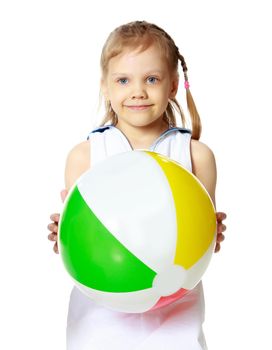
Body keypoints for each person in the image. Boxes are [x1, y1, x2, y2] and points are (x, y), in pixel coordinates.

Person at [47, 20, 227, 350]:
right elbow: (80, 242)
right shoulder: (84, 156)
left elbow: (205, 245)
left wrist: (210, 233)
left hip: (176, 311)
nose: (138, 91)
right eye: (123, 80)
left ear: (172, 85)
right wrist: (65, 236)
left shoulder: (195, 155)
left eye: (152, 79)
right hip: (100, 317)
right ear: (105, 86)